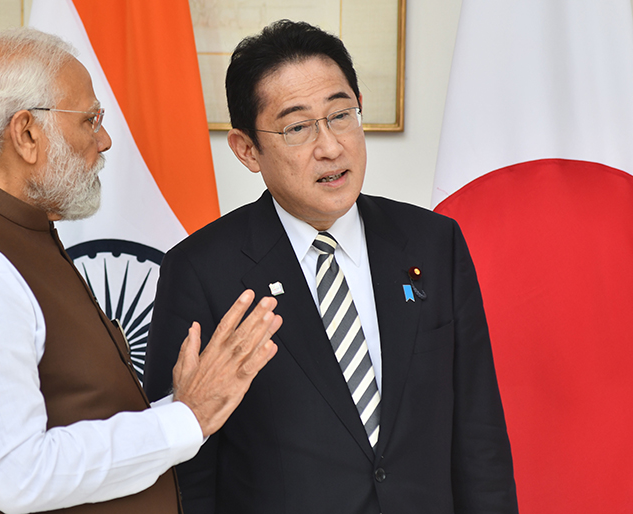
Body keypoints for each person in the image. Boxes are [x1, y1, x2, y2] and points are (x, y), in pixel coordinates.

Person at [0, 28, 282, 514]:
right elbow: (17, 474)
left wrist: (181, 405)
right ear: (27, 132)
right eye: (90, 119)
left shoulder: (13, 230)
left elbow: (69, 418)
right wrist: (186, 418)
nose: (106, 139)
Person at [144, 20, 518, 514]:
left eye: (341, 115)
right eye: (298, 127)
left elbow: (479, 436)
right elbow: (188, 470)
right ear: (246, 150)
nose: (331, 146)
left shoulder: (432, 244)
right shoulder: (201, 271)